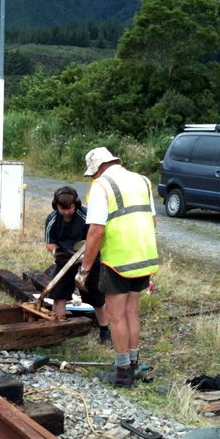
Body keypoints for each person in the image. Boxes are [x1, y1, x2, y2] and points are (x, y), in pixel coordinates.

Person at [77, 147, 158, 387]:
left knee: (115, 315)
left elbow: (96, 231)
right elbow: (152, 220)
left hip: (118, 261)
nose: (93, 178)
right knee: (131, 311)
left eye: (93, 174)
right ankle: (132, 366)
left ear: (98, 168)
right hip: (144, 257)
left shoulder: (101, 186)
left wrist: (85, 269)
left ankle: (122, 374)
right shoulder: (142, 181)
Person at [44, 186, 110, 343]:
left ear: (76, 204)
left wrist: (85, 260)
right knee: (58, 296)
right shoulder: (52, 219)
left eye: (70, 208)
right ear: (56, 206)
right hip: (64, 262)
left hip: (88, 261)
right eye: (62, 209)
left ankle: (105, 330)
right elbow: (49, 242)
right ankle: (58, 330)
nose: (66, 212)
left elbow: (95, 238)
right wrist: (56, 252)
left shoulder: (86, 216)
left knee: (97, 299)